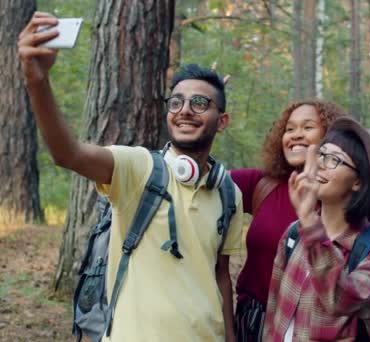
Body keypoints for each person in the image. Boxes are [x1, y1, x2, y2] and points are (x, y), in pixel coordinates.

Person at [18, 13, 243, 341]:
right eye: (176, 101)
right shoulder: (139, 168)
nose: (184, 110)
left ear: (222, 121)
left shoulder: (227, 192)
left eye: (199, 103)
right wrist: (37, 81)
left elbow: (221, 274)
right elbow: (68, 153)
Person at [263, 117, 370, 341]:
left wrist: (309, 221)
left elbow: (339, 300)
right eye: (321, 154)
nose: (321, 164)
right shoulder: (294, 232)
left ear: (358, 182)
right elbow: (274, 307)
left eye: (334, 160)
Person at [231, 100, 347, 341]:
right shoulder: (261, 184)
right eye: (289, 129)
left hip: (311, 328)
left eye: (307, 127)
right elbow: (201, 176)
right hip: (254, 320)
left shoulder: (342, 197)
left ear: (330, 135)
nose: (296, 135)